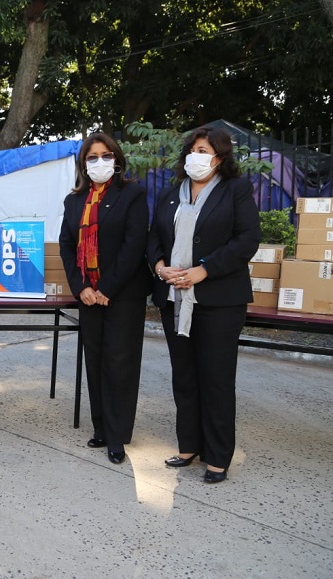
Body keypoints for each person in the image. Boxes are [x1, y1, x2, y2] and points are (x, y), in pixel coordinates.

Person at [148, 127, 261, 484]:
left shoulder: (235, 190)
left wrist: (204, 270)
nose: (198, 156)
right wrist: (160, 266)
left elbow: (247, 239)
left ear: (220, 158)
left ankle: (218, 457)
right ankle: (189, 446)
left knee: (215, 379)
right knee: (185, 376)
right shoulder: (170, 194)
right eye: (194, 149)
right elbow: (154, 239)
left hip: (218, 301)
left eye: (206, 150)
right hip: (174, 299)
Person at [59, 133, 151, 465]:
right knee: (95, 362)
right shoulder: (74, 201)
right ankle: (100, 428)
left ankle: (117, 436)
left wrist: (105, 289)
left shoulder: (132, 194)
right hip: (88, 294)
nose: (99, 162)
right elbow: (67, 247)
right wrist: (81, 287)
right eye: (92, 157)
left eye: (105, 155)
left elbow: (133, 245)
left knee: (120, 364)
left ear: (117, 159)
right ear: (84, 164)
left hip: (122, 294)